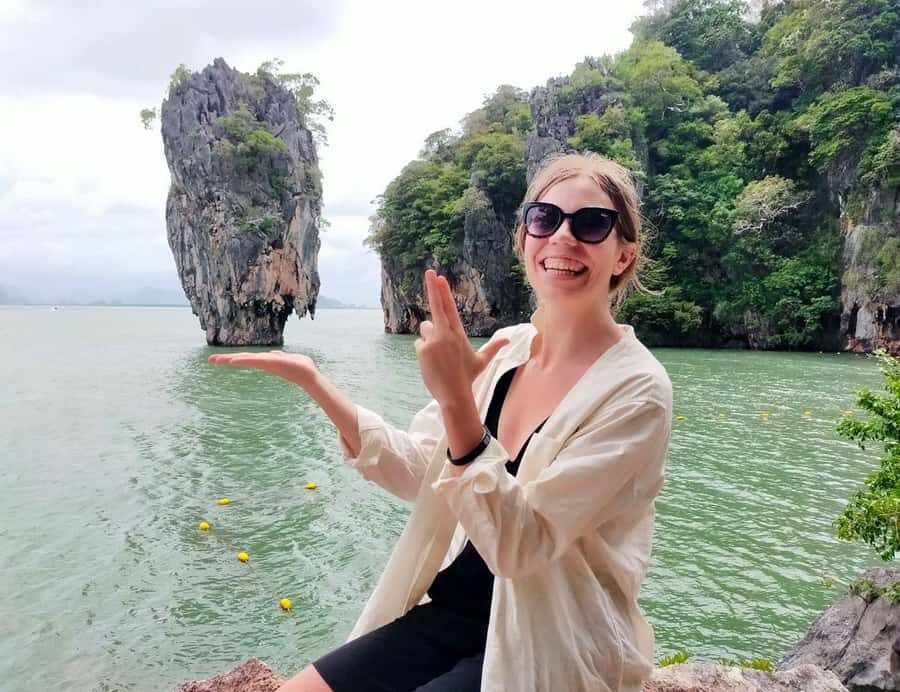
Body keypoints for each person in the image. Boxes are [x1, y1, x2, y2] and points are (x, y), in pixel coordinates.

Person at [209, 152, 673, 692]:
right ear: (524, 238)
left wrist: (457, 401)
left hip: (550, 641)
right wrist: (319, 385)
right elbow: (423, 472)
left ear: (623, 255)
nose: (563, 238)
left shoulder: (636, 391)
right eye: (545, 218)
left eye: (591, 223)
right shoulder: (508, 350)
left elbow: (521, 546)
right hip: (452, 617)